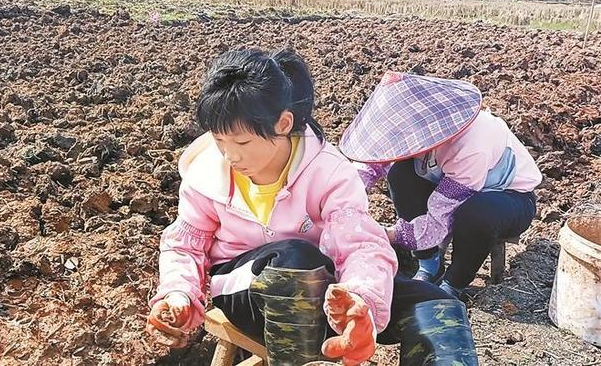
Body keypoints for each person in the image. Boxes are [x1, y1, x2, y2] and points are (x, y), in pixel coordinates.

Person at [146, 49, 478, 365]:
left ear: (282, 124)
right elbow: (184, 245)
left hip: (320, 288)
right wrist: (178, 293)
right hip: (245, 291)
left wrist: (358, 299)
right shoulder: (206, 175)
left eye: (242, 142)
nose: (231, 156)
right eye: (220, 141)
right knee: (295, 260)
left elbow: (361, 243)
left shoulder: (328, 171)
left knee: (437, 303)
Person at [340, 71, 542, 298]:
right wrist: (342, 202)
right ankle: (429, 264)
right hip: (447, 181)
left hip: (508, 198)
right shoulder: (416, 130)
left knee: (476, 214)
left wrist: (386, 234)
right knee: (400, 173)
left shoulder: (471, 144)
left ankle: (454, 284)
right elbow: (371, 165)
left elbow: (438, 221)